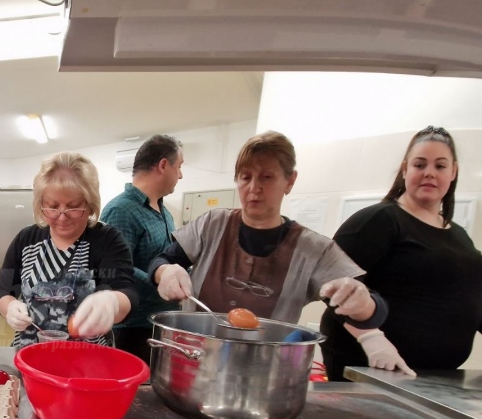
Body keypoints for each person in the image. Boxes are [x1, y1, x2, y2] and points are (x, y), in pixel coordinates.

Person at [149, 131, 387, 333]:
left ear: (290, 181)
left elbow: (364, 307)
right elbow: (163, 260)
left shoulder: (313, 249)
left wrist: (364, 303)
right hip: (194, 354)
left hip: (263, 368)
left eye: (267, 177)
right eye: (246, 177)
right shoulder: (213, 224)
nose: (254, 188)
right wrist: (165, 271)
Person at [320, 126, 482, 380]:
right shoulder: (378, 220)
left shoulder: (460, 235)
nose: (429, 173)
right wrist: (371, 338)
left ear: (454, 172)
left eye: (440, 166)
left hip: (439, 379)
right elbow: (331, 283)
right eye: (420, 165)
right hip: (373, 371)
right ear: (405, 169)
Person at [0, 152, 138, 348]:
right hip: (30, 354)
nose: (62, 217)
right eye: (52, 207)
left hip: (87, 359)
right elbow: (0, 290)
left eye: (73, 207)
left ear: (90, 204)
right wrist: (9, 306)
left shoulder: (107, 240)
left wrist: (112, 301)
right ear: (40, 205)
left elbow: (128, 293)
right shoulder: (27, 240)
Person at [100, 134, 183, 363]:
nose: (181, 175)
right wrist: (164, 283)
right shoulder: (121, 210)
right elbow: (116, 271)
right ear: (164, 165)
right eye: (179, 166)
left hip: (160, 323)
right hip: (133, 327)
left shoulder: (163, 212)